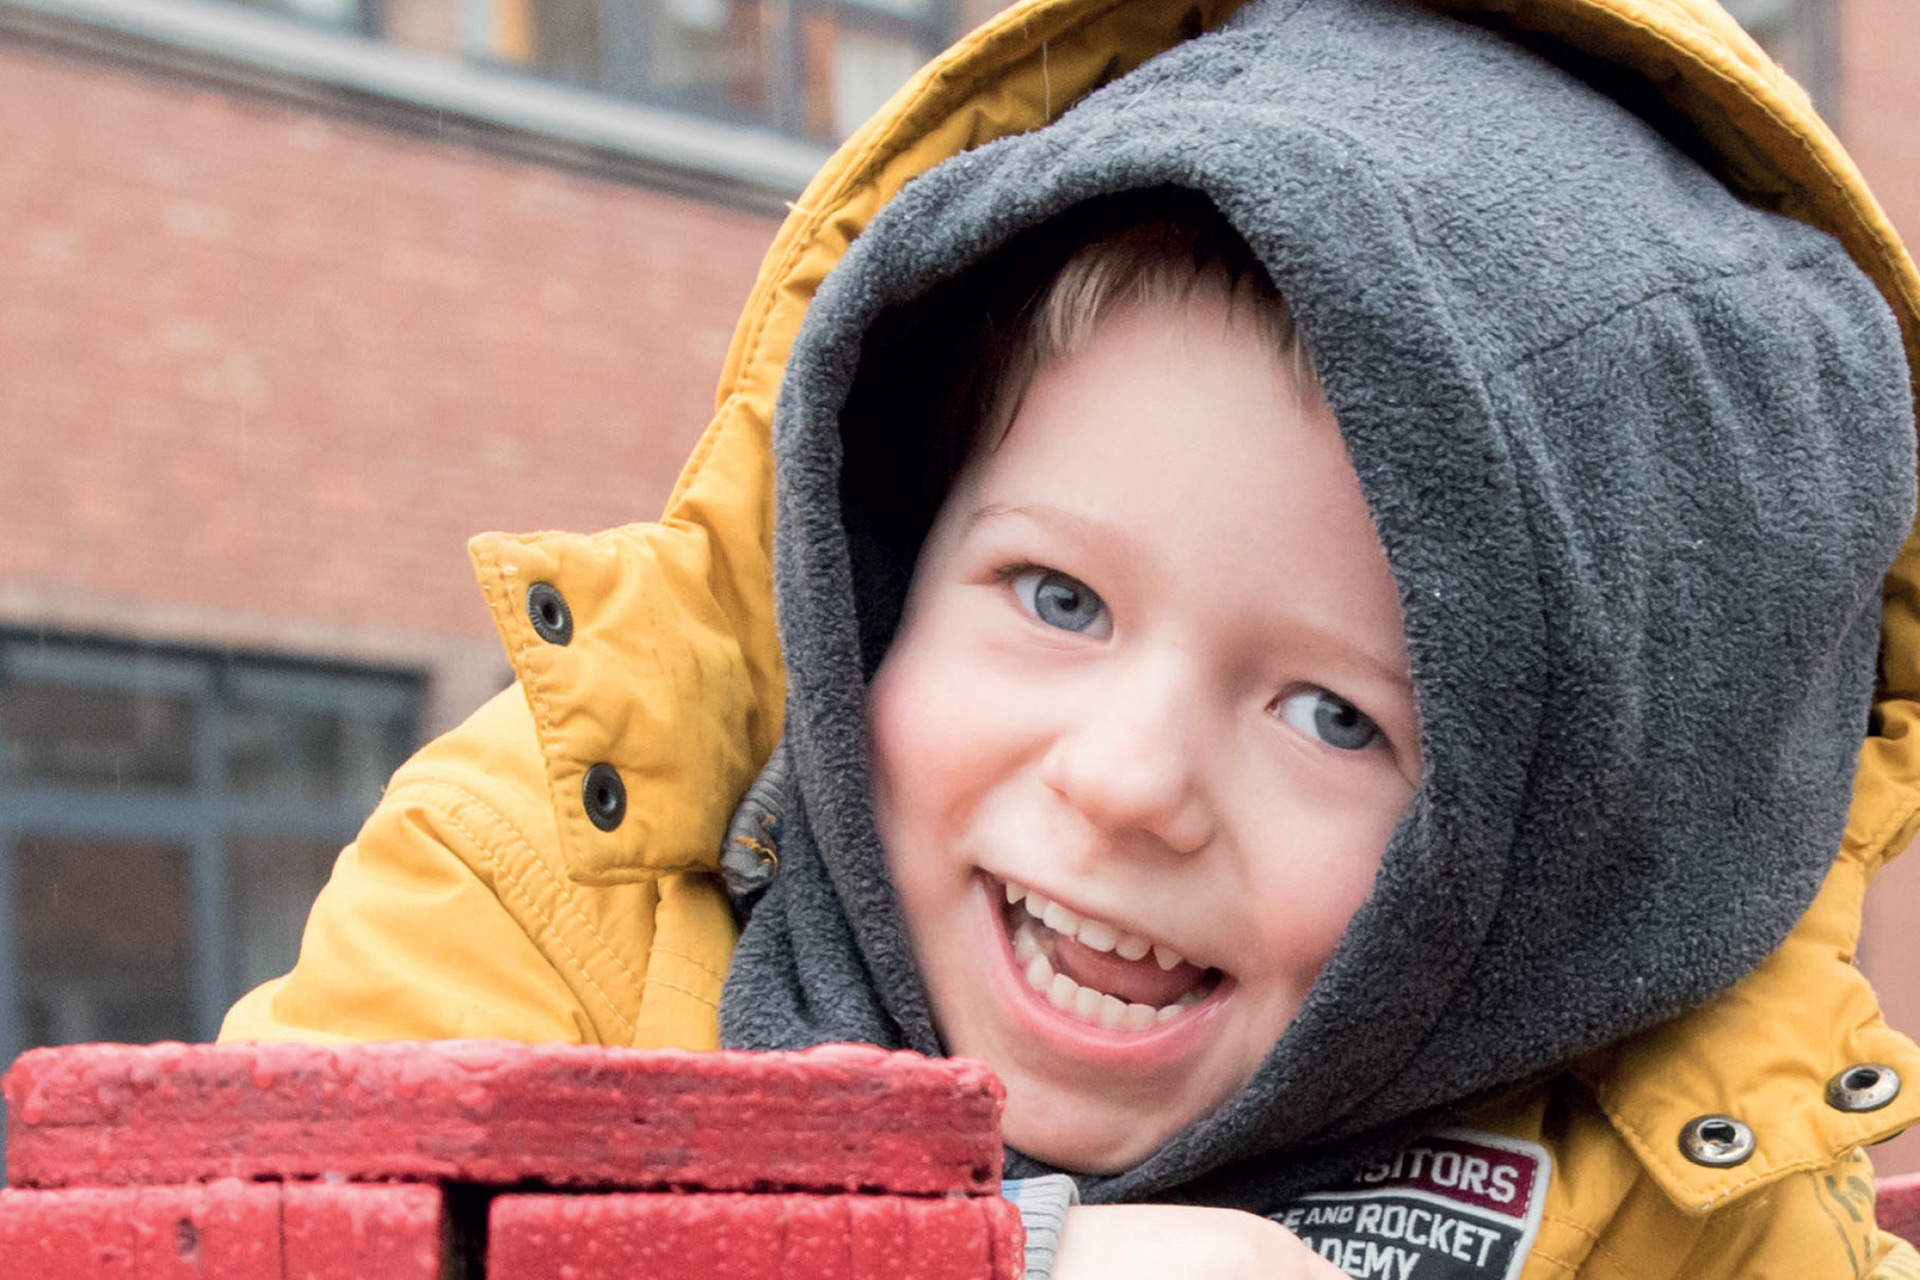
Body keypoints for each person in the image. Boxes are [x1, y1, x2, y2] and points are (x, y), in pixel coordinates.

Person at [221, 0, 1920, 1274]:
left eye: (1335, 715)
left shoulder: (1697, 1193)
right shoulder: (548, 897)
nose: (1125, 784)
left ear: (1584, 858)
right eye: (1059, 599)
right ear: (885, 555)